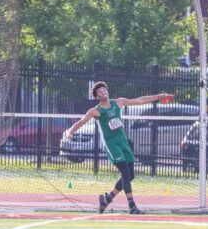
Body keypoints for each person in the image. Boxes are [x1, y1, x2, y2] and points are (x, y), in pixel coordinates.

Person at [63, 81, 173, 214]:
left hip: (123, 142)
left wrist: (159, 96)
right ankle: (132, 206)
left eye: (104, 90)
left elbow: (139, 100)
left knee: (131, 175)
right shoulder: (96, 111)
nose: (103, 92)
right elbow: (80, 122)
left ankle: (107, 199)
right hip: (112, 145)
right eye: (100, 92)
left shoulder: (118, 102)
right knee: (125, 174)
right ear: (97, 96)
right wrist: (70, 132)